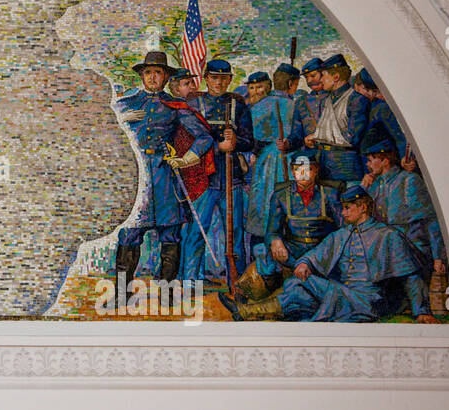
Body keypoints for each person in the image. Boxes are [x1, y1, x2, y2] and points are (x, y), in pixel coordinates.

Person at [221, 186, 435, 323]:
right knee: (298, 291)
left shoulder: (388, 235)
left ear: (362, 207)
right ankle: (245, 312)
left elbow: (411, 277)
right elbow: (317, 253)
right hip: (342, 294)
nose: (343, 213)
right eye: (342, 208)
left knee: (302, 286)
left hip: (369, 301)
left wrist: (421, 311)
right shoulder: (342, 234)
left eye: (348, 208)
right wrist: (305, 262)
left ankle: (247, 311)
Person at [109, 51, 213, 293]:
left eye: (158, 72)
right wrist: (120, 120)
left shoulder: (175, 106)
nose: (153, 77)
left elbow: (204, 137)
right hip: (135, 177)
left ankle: (166, 293)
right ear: (142, 76)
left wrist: (187, 159)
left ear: (166, 77)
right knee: (129, 233)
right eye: (148, 73)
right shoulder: (124, 105)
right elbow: (101, 131)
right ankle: (122, 293)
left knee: (170, 234)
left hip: (164, 178)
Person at [235, 148, 341, 302]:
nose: (302, 174)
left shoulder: (330, 194)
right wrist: (275, 240)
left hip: (320, 251)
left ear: (316, 170)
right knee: (262, 251)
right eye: (298, 169)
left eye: (308, 169)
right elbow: (272, 230)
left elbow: (343, 230)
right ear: (292, 171)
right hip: (293, 251)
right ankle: (267, 288)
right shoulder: (281, 196)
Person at [187, 59, 254, 283]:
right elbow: (186, 141)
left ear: (230, 80)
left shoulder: (238, 105)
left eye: (224, 78)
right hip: (203, 179)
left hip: (231, 178)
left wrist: (235, 142)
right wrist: (218, 147)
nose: (219, 83)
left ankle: (237, 284)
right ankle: (190, 282)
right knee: (197, 232)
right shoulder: (194, 104)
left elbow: (249, 142)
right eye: (214, 78)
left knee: (234, 234)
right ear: (206, 78)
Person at [362, 135, 445, 281]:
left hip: (413, 253)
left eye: (371, 160)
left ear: (385, 161)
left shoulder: (409, 181)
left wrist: (438, 257)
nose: (367, 164)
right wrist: (363, 189)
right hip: (386, 254)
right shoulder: (374, 185)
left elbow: (431, 221)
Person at [246, 69, 295, 255]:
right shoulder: (292, 103)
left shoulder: (260, 107)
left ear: (269, 86)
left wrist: (255, 151)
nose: (256, 91)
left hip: (270, 159)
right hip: (286, 156)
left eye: (260, 87)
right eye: (252, 88)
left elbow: (255, 136)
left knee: (265, 202)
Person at [300, 54, 369, 182]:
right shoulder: (328, 99)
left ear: (336, 77)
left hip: (346, 166)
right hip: (325, 163)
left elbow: (352, 138)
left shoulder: (357, 100)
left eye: (323, 76)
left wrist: (317, 136)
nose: (321, 80)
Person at [355, 67, 408, 162]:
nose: (370, 94)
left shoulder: (382, 108)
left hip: (379, 159)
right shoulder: (357, 102)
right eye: (365, 89)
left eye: (375, 91)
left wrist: (404, 156)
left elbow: (399, 137)